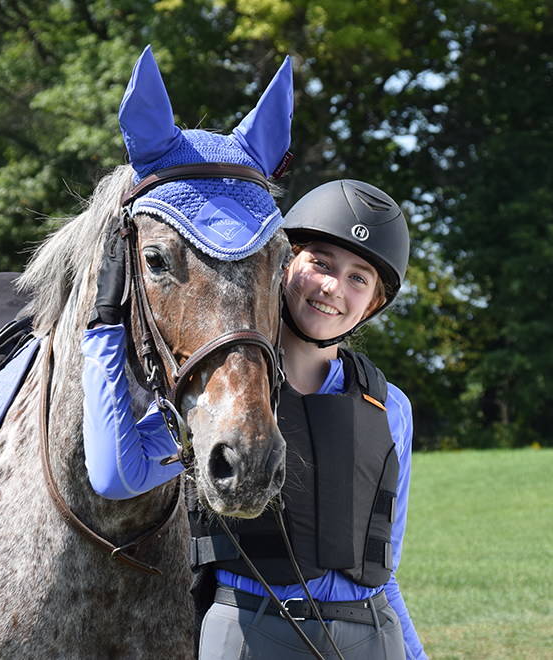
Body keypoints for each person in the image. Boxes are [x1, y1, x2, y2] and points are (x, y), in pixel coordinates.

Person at [83, 48, 427, 660]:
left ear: (373, 304)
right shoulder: (225, 401)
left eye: (358, 279)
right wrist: (103, 323)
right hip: (252, 630)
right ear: (280, 262)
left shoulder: (388, 406)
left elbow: (384, 566)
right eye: (320, 263)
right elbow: (117, 473)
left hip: (372, 633)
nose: (332, 288)